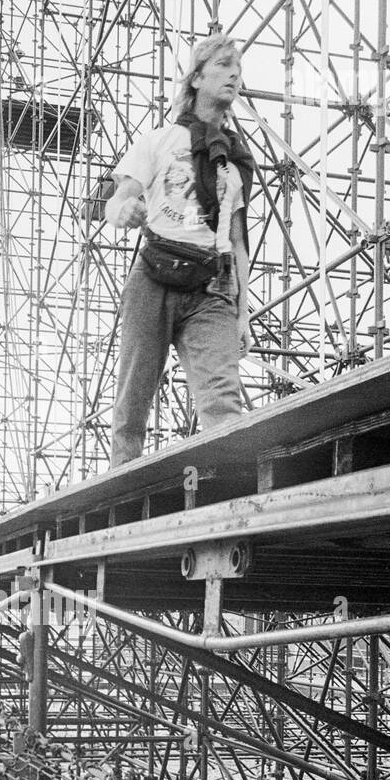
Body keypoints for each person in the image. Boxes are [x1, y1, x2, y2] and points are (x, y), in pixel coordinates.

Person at [105, 32, 255, 469]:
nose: (234, 76)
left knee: (222, 398)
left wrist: (243, 311)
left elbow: (239, 241)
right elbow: (119, 200)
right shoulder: (157, 141)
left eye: (238, 70)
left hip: (212, 286)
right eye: (224, 66)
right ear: (196, 79)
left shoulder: (235, 161)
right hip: (154, 275)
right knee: (133, 397)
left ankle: (230, 492)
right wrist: (124, 210)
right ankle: (120, 495)